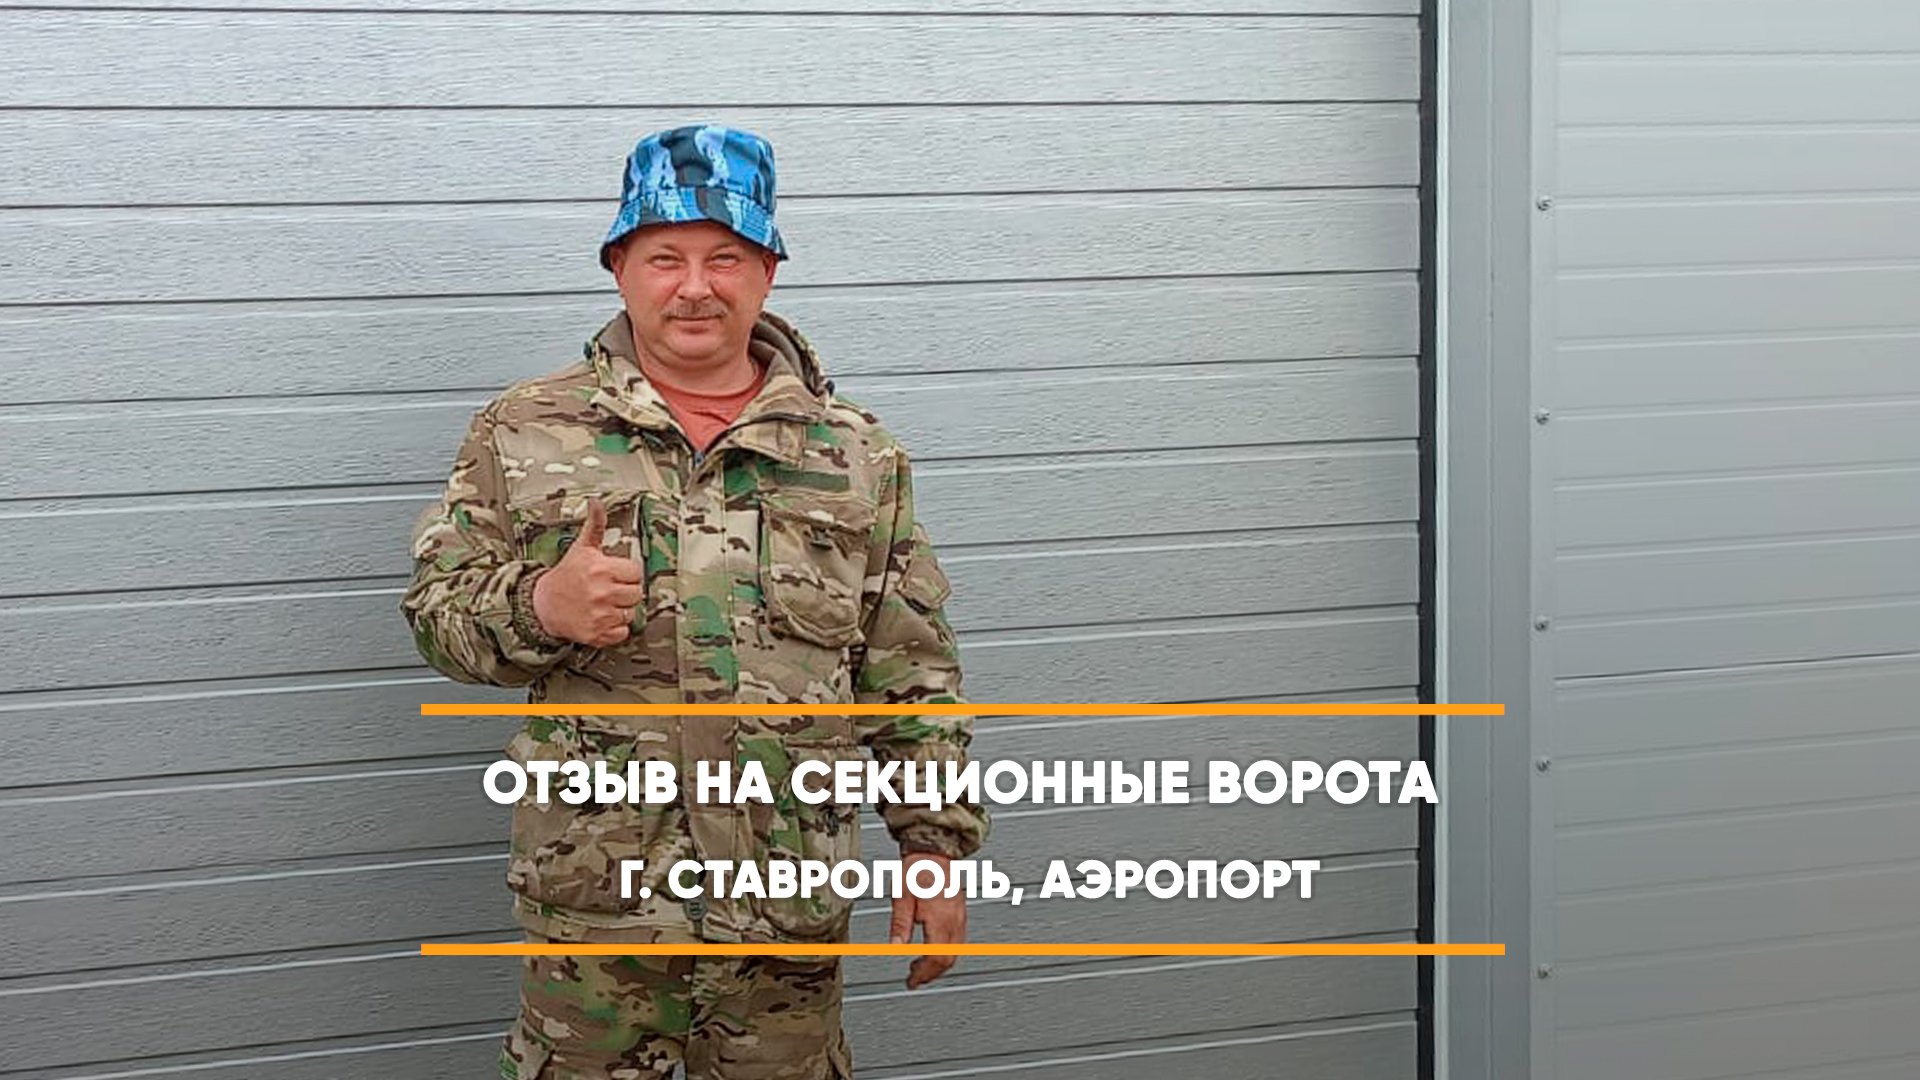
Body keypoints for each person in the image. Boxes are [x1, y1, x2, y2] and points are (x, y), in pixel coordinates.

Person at [402, 124, 987, 1080]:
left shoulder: (853, 453)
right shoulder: (524, 429)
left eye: (726, 258)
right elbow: (438, 613)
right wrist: (541, 607)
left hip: (785, 916)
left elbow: (908, 667)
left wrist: (935, 844)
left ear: (768, 271)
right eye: (665, 257)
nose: (695, 287)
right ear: (619, 267)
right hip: (600, 914)